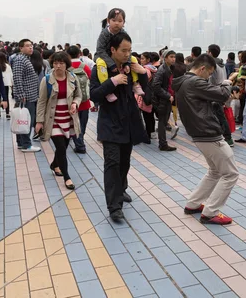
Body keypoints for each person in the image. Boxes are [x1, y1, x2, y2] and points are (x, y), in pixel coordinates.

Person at [89, 32, 149, 222]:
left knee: (125, 162)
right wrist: (112, 82)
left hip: (130, 122)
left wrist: (142, 73)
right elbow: (94, 95)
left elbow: (146, 93)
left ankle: (121, 189)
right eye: (124, 50)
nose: (127, 54)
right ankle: (114, 207)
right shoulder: (100, 68)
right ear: (113, 50)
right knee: (112, 163)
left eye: (130, 50)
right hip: (110, 124)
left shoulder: (131, 66)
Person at [174, 54, 238, 225]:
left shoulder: (183, 82)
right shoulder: (195, 82)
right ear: (202, 69)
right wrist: (227, 82)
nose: (209, 78)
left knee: (215, 171)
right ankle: (210, 212)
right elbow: (222, 94)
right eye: (209, 74)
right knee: (231, 174)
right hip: (209, 133)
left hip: (198, 133)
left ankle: (193, 204)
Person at [35, 51, 82, 190]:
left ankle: (55, 164)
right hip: (53, 119)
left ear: (66, 64)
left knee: (64, 146)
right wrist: (39, 121)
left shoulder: (73, 78)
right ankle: (67, 177)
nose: (58, 66)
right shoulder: (47, 79)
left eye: (61, 63)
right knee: (61, 148)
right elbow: (42, 101)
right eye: (55, 63)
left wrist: (75, 103)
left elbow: (79, 95)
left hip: (69, 118)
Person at [94, 8, 143, 101]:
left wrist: (127, 64)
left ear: (124, 22)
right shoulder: (104, 33)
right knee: (101, 64)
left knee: (134, 59)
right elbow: (100, 50)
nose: (117, 23)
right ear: (108, 21)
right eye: (113, 20)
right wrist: (111, 64)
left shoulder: (123, 33)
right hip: (103, 56)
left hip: (118, 57)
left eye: (120, 21)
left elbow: (127, 50)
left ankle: (135, 83)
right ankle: (107, 89)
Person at [12, 39, 41, 153]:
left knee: (21, 119)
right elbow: (17, 78)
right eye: (28, 46)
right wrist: (21, 94)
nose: (31, 48)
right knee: (26, 121)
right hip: (26, 96)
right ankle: (26, 145)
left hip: (30, 95)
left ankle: (21, 143)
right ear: (21, 48)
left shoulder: (25, 59)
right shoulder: (20, 60)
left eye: (31, 45)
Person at [207, 44, 234, 147]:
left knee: (220, 116)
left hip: (215, 92)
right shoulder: (221, 63)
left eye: (207, 51)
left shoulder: (213, 64)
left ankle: (228, 138)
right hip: (221, 90)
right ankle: (219, 136)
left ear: (210, 53)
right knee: (217, 115)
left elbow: (210, 78)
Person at [68, 45, 92, 154]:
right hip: (85, 102)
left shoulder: (67, 68)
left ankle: (80, 145)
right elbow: (91, 82)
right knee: (82, 124)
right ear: (79, 54)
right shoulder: (85, 67)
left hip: (72, 102)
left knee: (73, 123)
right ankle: (80, 140)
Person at [153, 49, 178, 151]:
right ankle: (163, 144)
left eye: (174, 57)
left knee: (163, 122)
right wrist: (168, 96)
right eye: (171, 57)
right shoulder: (162, 70)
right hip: (162, 100)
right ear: (165, 58)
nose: (173, 59)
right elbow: (156, 86)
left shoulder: (168, 68)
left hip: (166, 99)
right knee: (162, 122)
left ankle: (162, 143)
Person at [0, 52, 13, 119]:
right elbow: (11, 75)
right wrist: (12, 84)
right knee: (6, 98)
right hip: (6, 84)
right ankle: (7, 113)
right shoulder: (8, 66)